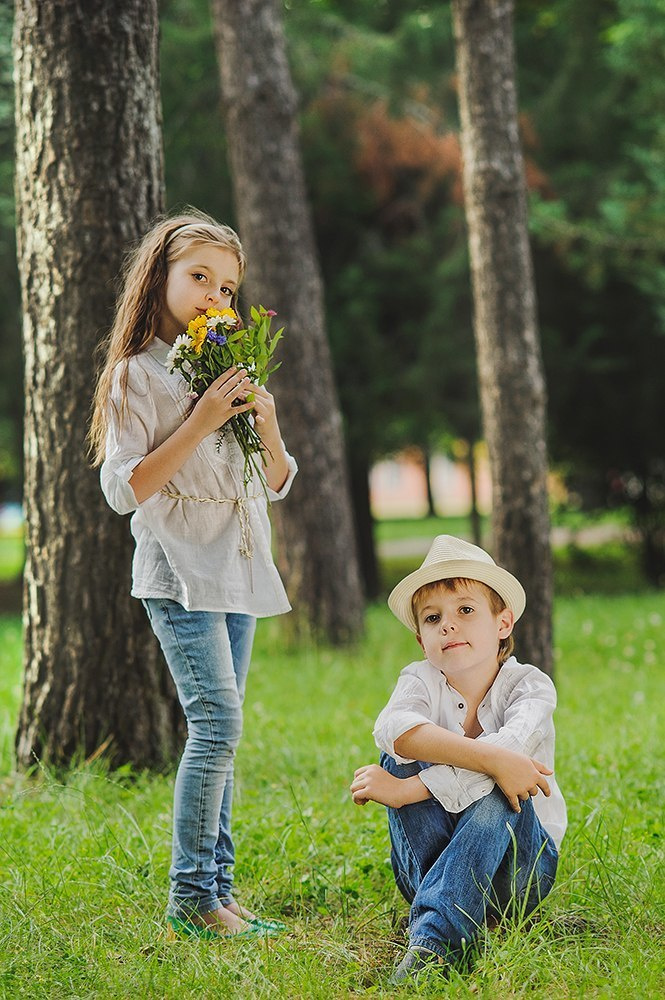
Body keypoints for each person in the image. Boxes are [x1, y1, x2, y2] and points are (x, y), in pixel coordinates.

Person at [90, 209, 297, 940]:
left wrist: (264, 428)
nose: (215, 295)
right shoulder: (135, 375)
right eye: (199, 277)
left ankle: (220, 892)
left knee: (225, 732)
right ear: (163, 278)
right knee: (217, 724)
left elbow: (272, 483)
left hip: (236, 563)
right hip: (179, 569)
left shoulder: (224, 368)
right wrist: (202, 420)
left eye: (227, 286)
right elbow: (125, 489)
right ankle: (189, 900)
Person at [350, 535, 566, 983]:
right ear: (420, 637)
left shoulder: (530, 687)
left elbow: (507, 758)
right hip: (429, 869)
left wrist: (412, 790)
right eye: (433, 618)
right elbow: (393, 729)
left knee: (503, 785)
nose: (448, 625)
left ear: (502, 622)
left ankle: (434, 941)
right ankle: (459, 913)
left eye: (465, 610)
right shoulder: (419, 679)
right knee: (397, 756)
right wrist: (478, 762)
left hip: (519, 874)